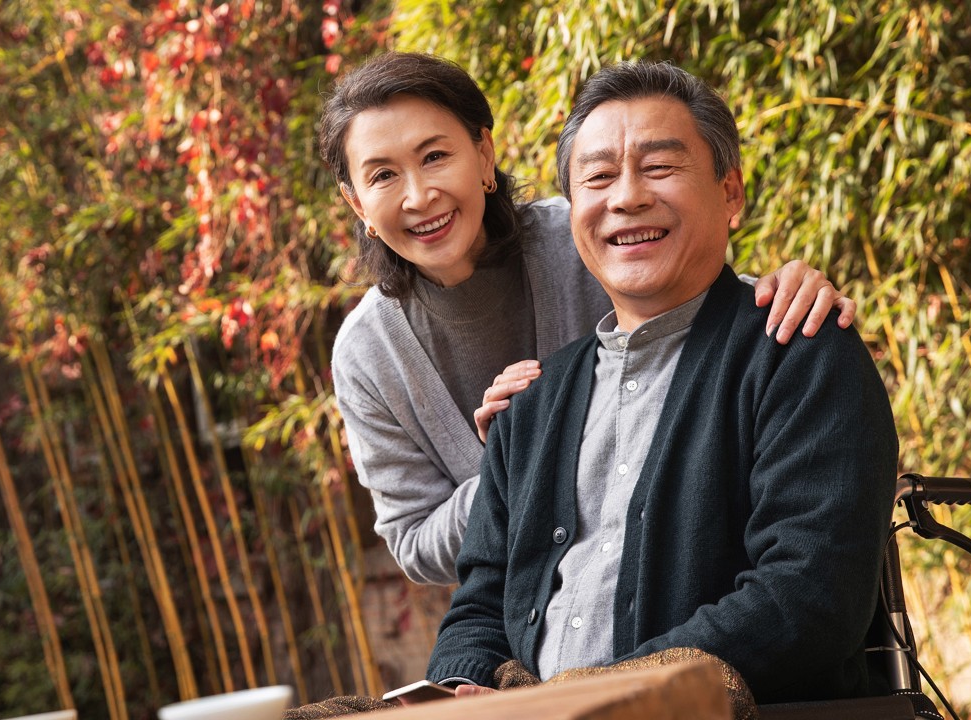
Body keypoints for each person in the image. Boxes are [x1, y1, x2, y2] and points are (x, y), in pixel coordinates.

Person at [425, 61, 897, 704]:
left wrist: (597, 699)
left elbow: (808, 594)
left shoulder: (797, 353)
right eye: (597, 177)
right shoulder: (531, 404)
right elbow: (479, 608)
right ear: (573, 212)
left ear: (731, 192)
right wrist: (462, 689)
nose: (626, 197)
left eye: (659, 167)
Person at [319, 52, 859, 586]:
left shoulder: (581, 235)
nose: (419, 196)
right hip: (526, 618)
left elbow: (697, 305)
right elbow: (414, 542)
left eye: (435, 157)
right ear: (357, 203)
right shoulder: (367, 354)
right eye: (384, 175)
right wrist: (520, 465)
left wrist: (785, 292)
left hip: (688, 573)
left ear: (484, 155)